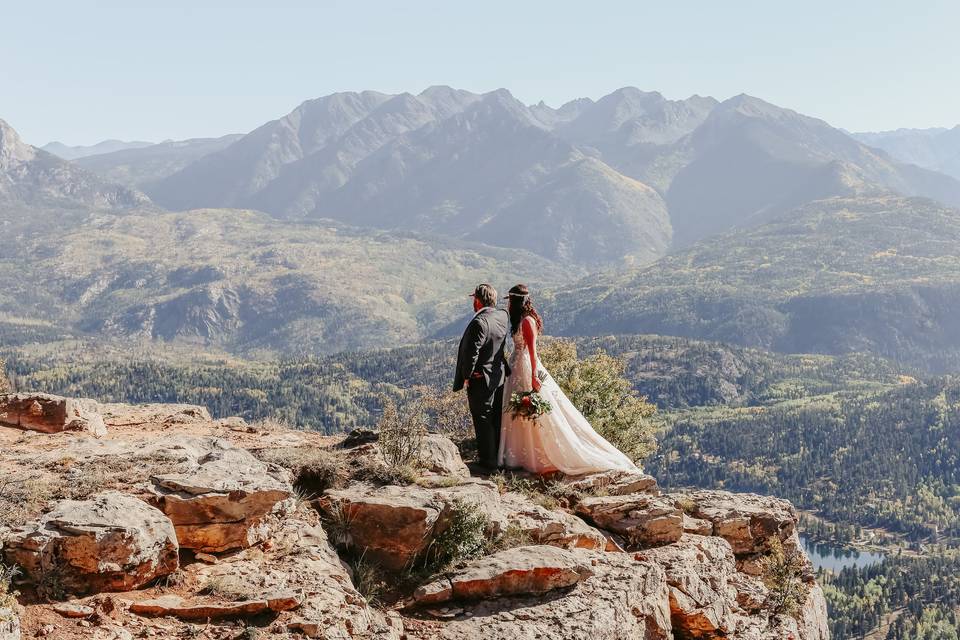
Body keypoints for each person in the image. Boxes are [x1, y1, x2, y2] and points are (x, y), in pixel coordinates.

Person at [498, 284, 638, 475]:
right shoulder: (520, 320)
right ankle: (520, 454)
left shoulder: (527, 322)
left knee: (534, 411)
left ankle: (539, 455)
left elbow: (533, 351)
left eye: (510, 302)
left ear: (515, 302)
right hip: (516, 368)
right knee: (519, 412)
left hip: (526, 368)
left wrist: (533, 377)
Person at [453, 283, 510, 469]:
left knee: (482, 419)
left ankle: (488, 462)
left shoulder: (479, 322)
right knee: (495, 417)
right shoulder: (502, 315)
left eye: (474, 299)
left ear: (477, 301)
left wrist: (467, 376)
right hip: (498, 376)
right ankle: (497, 457)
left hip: (480, 379)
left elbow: (471, 353)